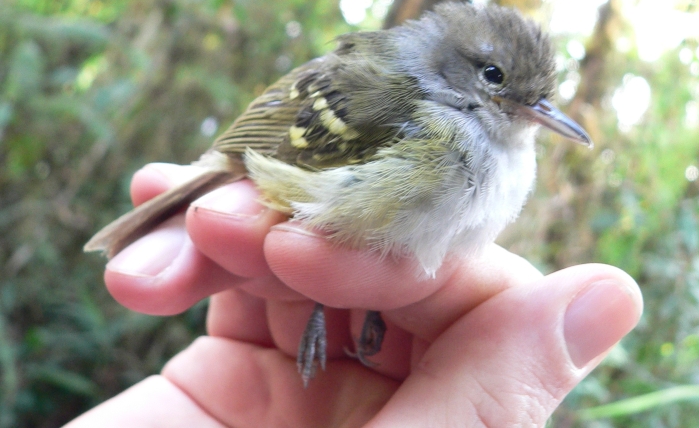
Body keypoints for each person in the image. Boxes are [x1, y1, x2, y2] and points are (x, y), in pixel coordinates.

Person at [65, 163, 642, 427]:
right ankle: (322, 302)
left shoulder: (504, 158)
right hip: (277, 173)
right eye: (495, 80)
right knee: (308, 255)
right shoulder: (418, 120)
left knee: (327, 263)